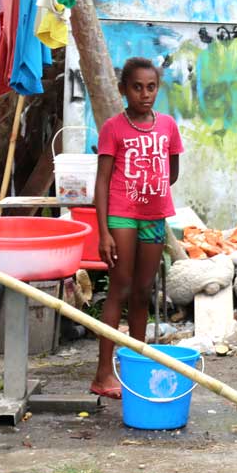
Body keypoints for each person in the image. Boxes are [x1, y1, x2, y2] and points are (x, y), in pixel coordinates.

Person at [89, 57, 183, 399]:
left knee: (144, 291)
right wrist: (103, 232)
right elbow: (101, 182)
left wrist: (150, 189)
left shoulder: (168, 126)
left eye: (151, 87)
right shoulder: (113, 128)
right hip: (122, 216)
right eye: (137, 87)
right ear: (123, 90)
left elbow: (171, 172)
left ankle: (135, 367)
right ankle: (103, 373)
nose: (145, 94)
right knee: (121, 288)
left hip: (154, 217)